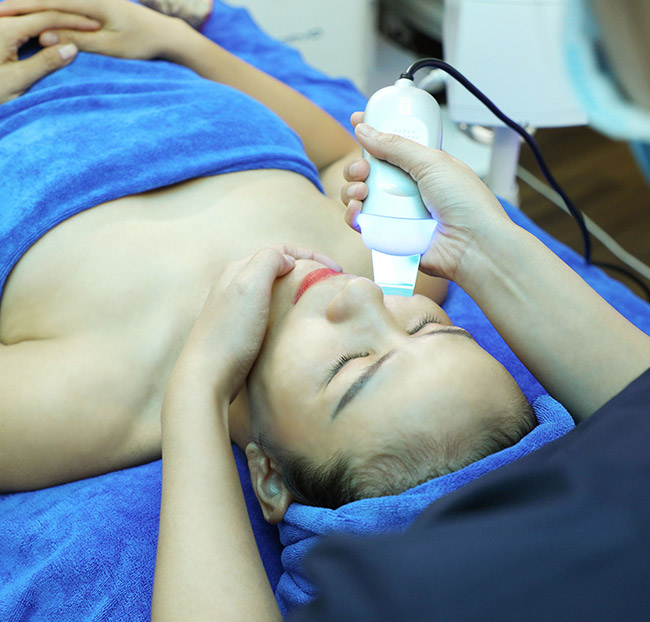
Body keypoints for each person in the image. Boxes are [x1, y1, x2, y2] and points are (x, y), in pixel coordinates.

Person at [0, 0, 542, 522]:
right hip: (135, 40)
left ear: (269, 476)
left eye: (348, 364)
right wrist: (179, 41)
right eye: (427, 327)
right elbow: (337, 154)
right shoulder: (393, 259)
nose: (363, 294)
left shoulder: (98, 401)